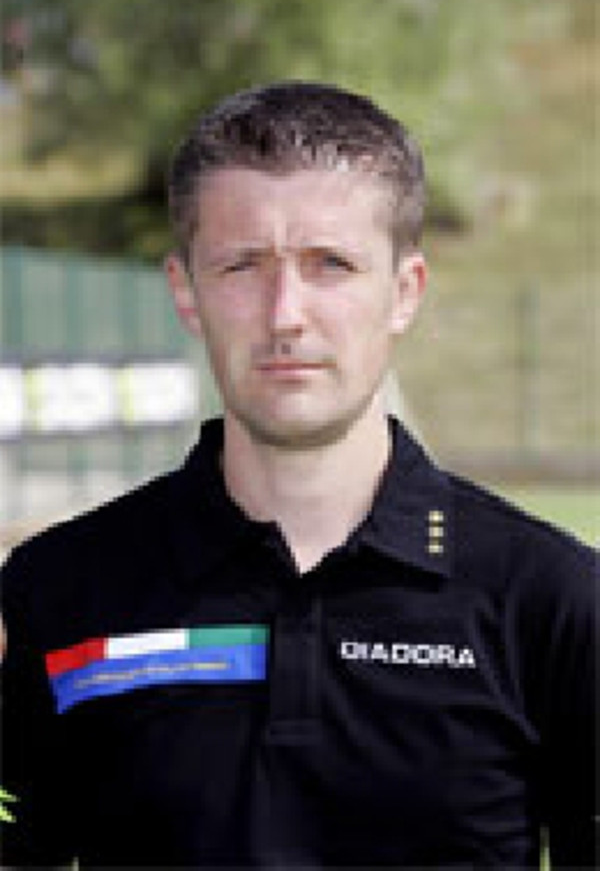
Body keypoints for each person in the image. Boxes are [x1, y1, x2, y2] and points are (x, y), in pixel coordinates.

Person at [1, 81, 596, 869]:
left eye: (331, 265)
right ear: (186, 292)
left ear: (404, 292)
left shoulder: (554, 601)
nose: (285, 313)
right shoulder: (56, 590)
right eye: (243, 265)